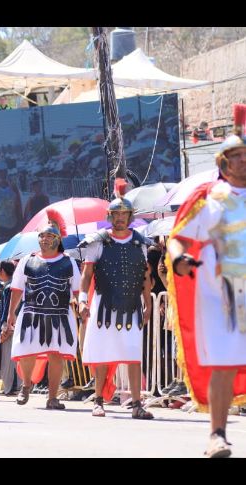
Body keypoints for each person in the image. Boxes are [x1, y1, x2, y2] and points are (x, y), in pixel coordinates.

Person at [166, 109, 246, 458]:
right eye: (237, 158)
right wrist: (179, 259)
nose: (243, 163)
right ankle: (217, 434)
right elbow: (178, 238)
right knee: (224, 365)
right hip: (219, 298)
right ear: (223, 162)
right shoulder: (206, 198)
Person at [78, 179, 155, 420]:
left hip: (131, 305)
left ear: (131, 216)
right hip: (104, 305)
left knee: (133, 354)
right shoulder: (98, 241)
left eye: (124, 213)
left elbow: (144, 275)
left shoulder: (140, 242)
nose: (120, 218)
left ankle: (136, 404)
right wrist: (82, 299)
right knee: (102, 354)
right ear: (110, 216)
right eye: (116, 213)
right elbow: (87, 273)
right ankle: (99, 399)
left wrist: (148, 302)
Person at [4, 209, 81, 410]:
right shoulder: (27, 260)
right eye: (42, 236)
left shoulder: (69, 262)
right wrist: (11, 314)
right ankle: (26, 385)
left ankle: (53, 397)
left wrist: (82, 306)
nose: (44, 240)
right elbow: (17, 288)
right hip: (32, 312)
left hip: (59, 315)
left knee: (56, 355)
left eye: (49, 236)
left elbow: (77, 291)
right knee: (28, 351)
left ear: (58, 239)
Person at [0, 260, 19, 396]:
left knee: (9, 357)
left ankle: (12, 387)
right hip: (13, 323)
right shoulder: (11, 286)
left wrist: (6, 326)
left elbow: (9, 309)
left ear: (3, 271)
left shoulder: (9, 288)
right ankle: (10, 386)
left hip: (9, 324)